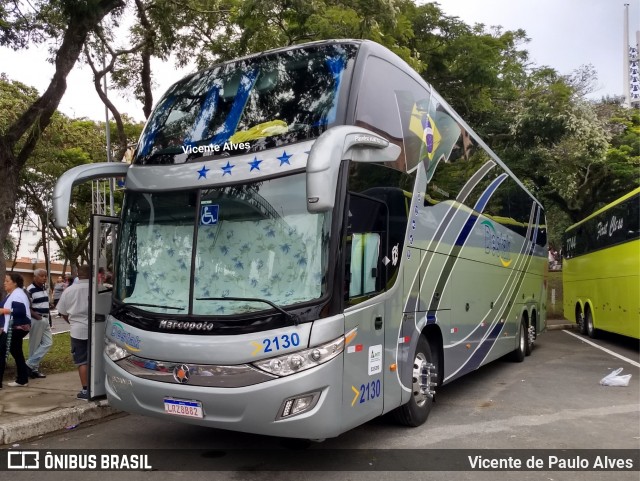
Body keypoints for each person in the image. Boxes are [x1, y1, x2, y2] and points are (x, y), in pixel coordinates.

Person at [57, 264, 90, 400]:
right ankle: (99, 386)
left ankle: (85, 390)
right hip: (97, 329)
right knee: (97, 358)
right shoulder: (99, 289)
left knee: (81, 360)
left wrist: (72, 321)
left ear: (78, 274)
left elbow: (62, 311)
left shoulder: (69, 291)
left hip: (77, 330)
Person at [0, 272, 32, 388]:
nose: (4, 283)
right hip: (12, 327)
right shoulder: (12, 294)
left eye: (7, 281)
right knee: (17, 352)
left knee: (1, 351)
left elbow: (20, 311)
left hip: (16, 328)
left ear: (14, 283)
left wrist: (4, 311)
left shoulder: (18, 294)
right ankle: (22, 379)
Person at [25, 268, 53, 379]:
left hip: (45, 319)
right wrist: (37, 316)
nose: (44, 278)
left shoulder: (44, 288)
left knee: (48, 343)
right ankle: (34, 370)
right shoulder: (30, 290)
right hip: (37, 319)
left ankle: (29, 365)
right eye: (42, 276)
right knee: (34, 345)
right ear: (35, 277)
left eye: (45, 276)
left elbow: (44, 304)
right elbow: (27, 306)